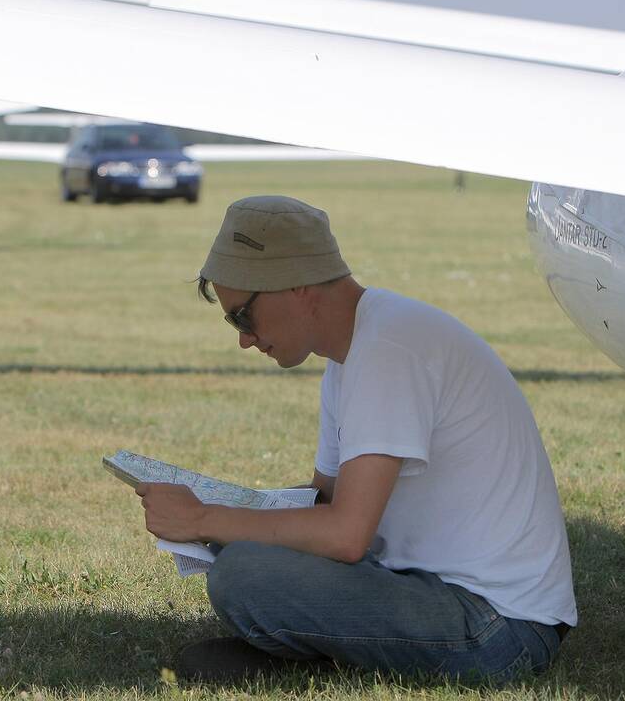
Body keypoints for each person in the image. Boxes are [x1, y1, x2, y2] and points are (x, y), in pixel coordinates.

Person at [136, 196, 577, 684]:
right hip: (445, 594)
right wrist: (224, 514)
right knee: (244, 554)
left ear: (297, 285)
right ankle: (326, 650)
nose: (243, 338)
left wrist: (204, 518)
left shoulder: (388, 348)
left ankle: (314, 655)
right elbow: (324, 498)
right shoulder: (357, 348)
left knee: (243, 575)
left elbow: (345, 536)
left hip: (498, 629)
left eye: (243, 316)